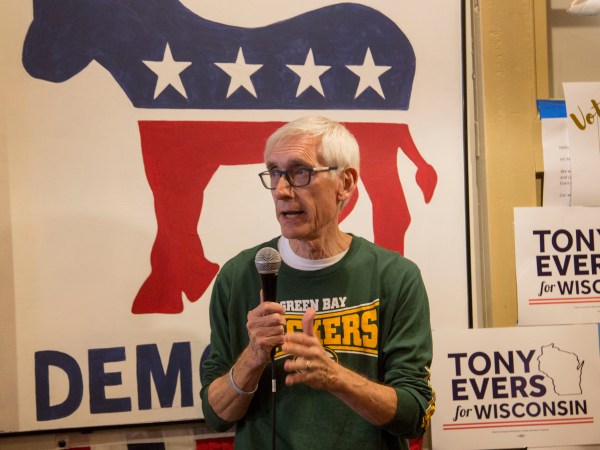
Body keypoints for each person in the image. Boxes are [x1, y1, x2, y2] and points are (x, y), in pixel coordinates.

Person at [200, 116, 435, 449]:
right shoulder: (239, 275)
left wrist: (336, 379)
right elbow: (216, 415)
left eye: (299, 172)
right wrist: (253, 356)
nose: (282, 190)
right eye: (275, 173)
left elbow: (415, 415)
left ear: (345, 183)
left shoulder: (395, 277)